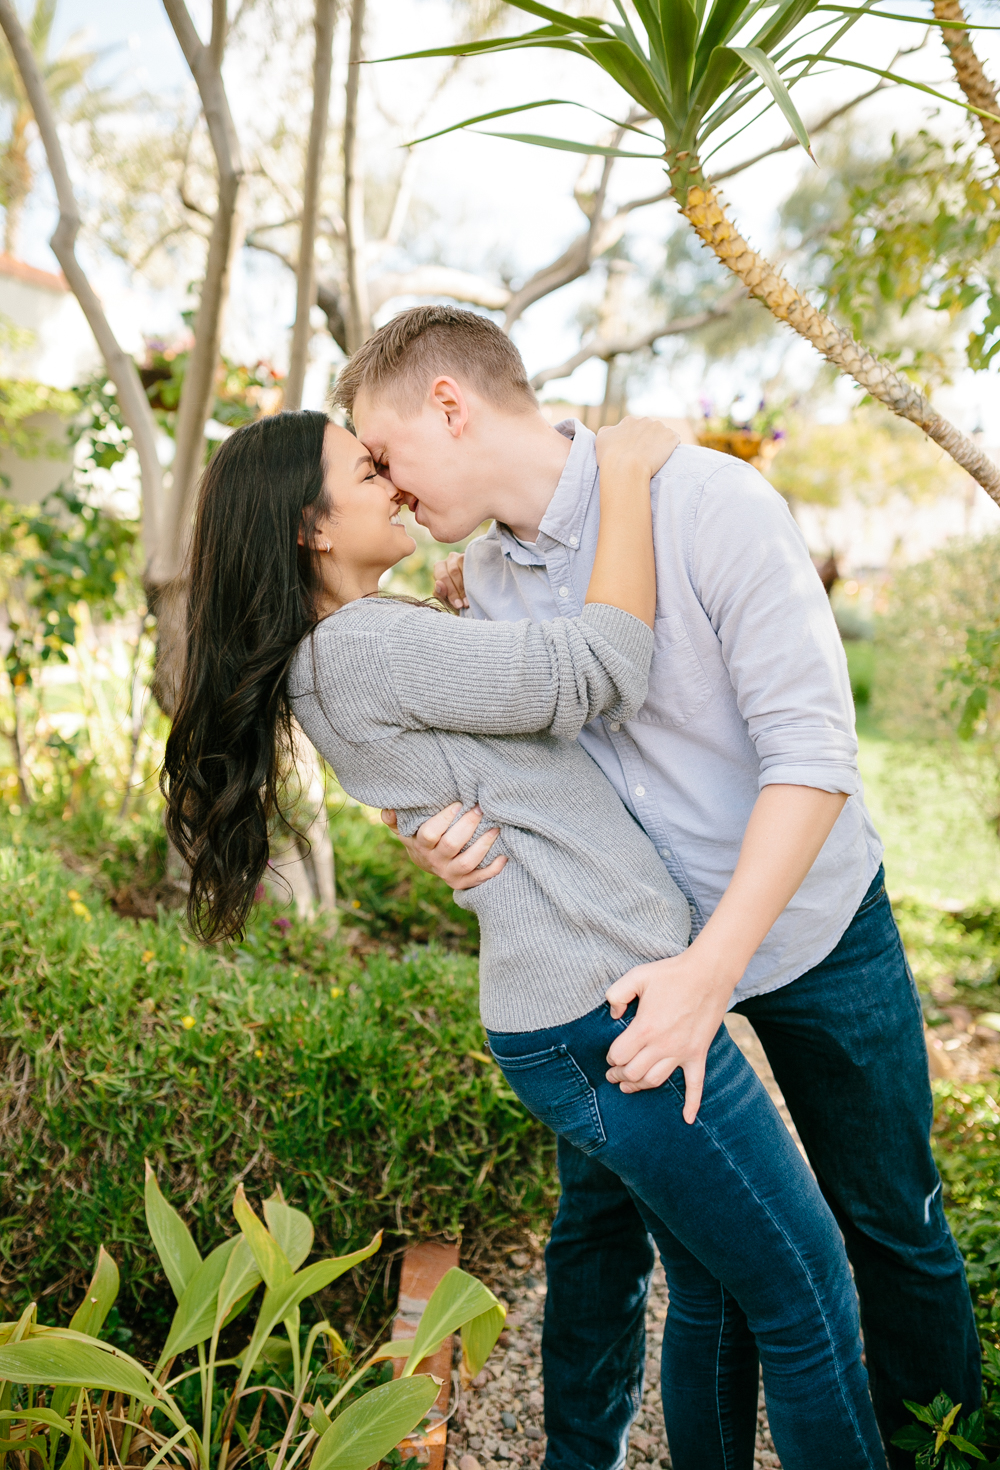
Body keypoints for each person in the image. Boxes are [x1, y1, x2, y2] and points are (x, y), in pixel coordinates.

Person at [161, 407, 887, 1470]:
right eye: (364, 471)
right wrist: (630, 473)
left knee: (722, 1292)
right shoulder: (363, 646)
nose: (391, 485)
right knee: (807, 1289)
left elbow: (482, 752)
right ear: (311, 526)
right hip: (604, 1011)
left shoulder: (357, 645)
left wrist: (465, 617)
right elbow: (597, 670)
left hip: (585, 1002)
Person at [332, 304, 981, 1470]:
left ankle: (940, 1450)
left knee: (891, 1225)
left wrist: (709, 974)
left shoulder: (711, 507)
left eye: (383, 452)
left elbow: (812, 757)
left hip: (808, 929)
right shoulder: (478, 580)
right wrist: (416, 824)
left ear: (450, 404)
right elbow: (446, 742)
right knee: (608, 1238)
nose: (382, 482)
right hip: (625, 959)